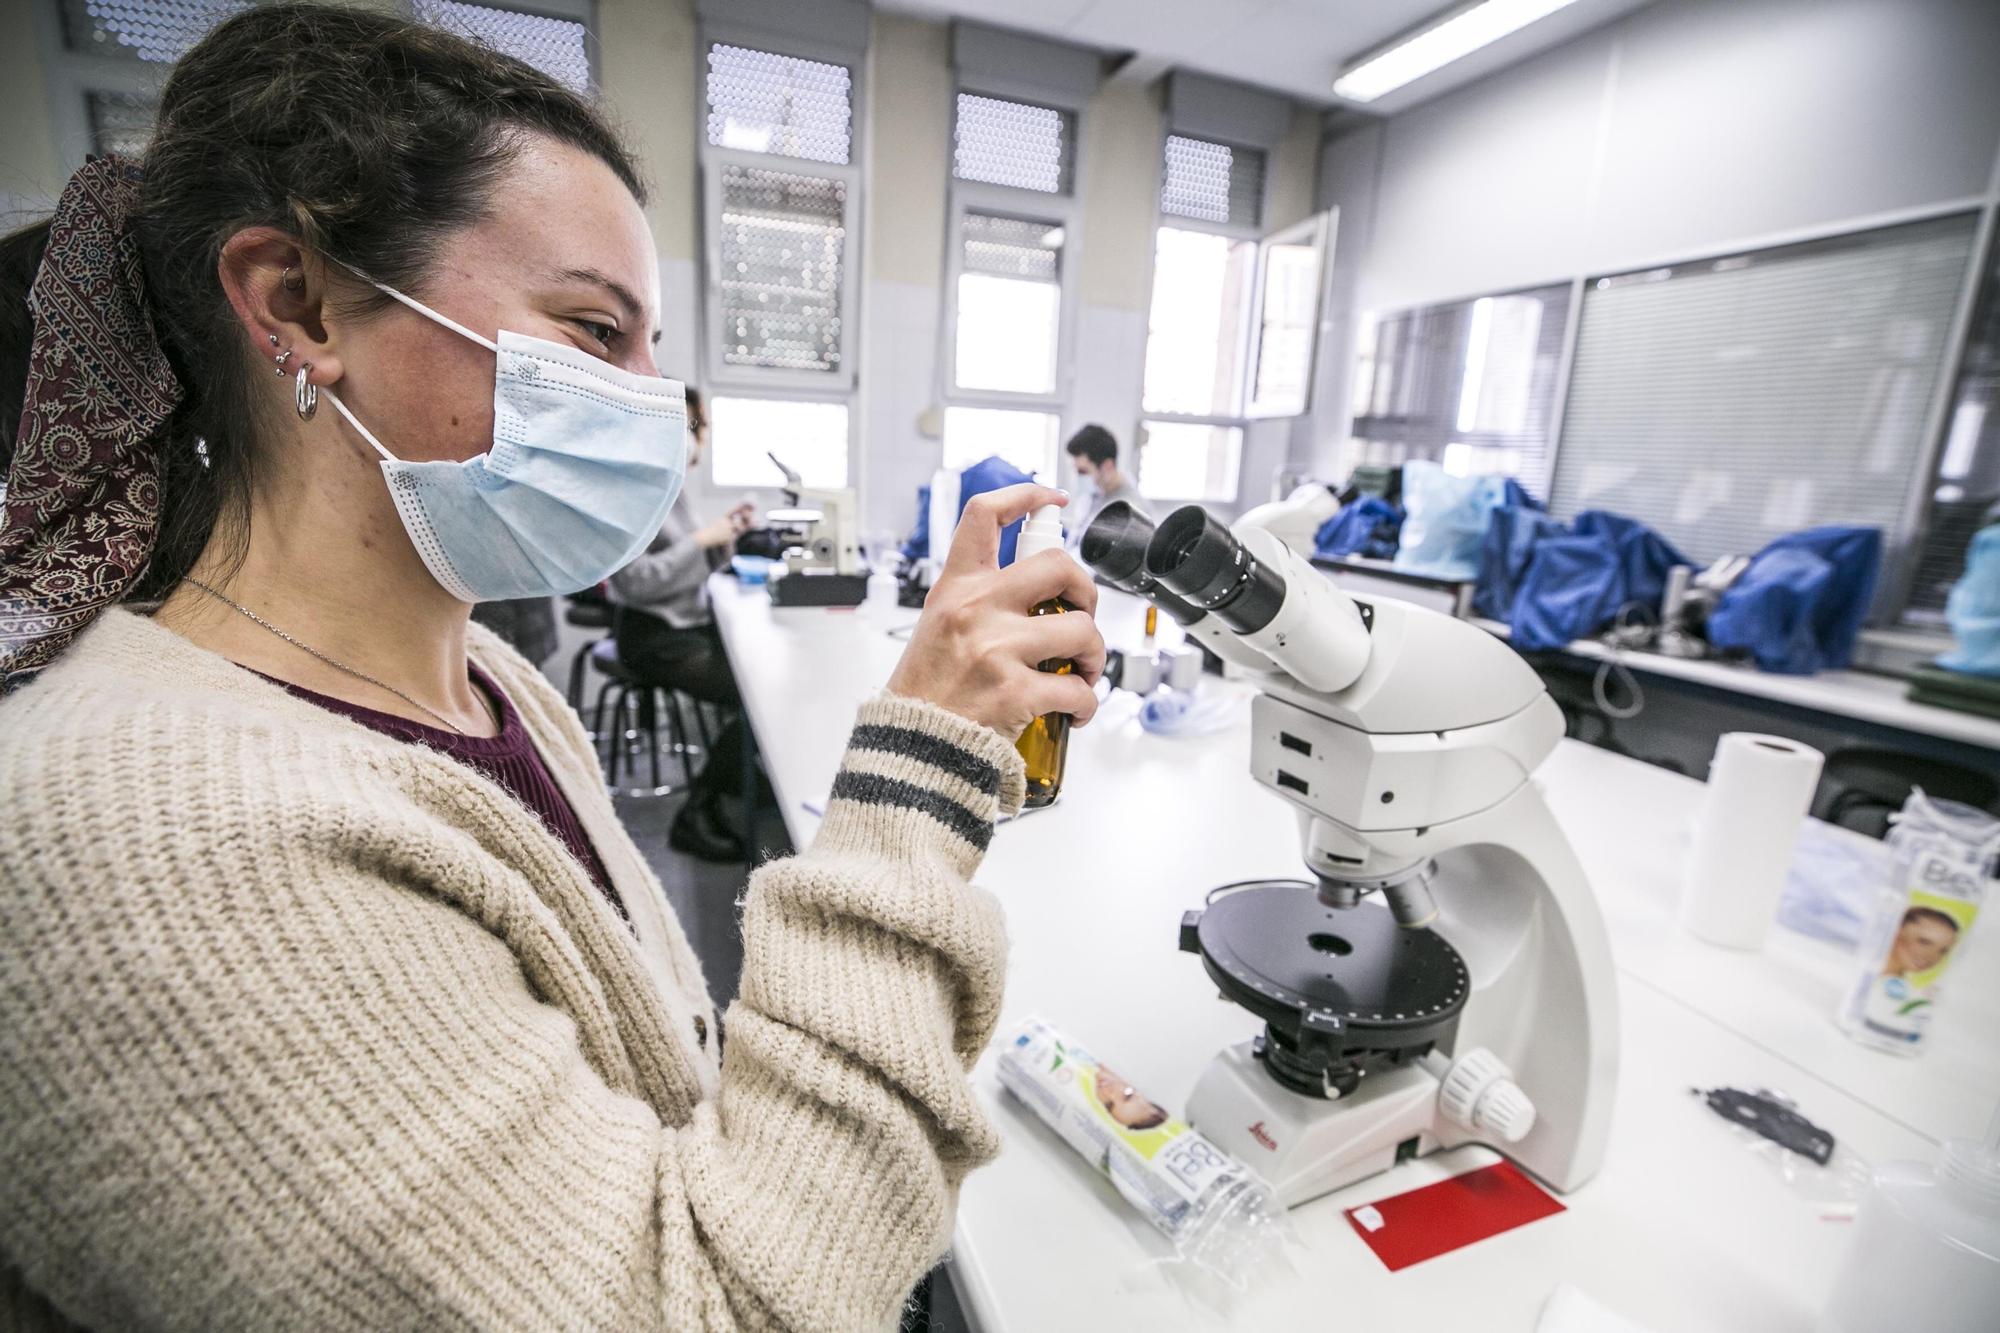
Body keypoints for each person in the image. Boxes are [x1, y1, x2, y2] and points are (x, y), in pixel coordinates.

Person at [0, 7, 1104, 1330]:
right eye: (593, 330)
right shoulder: (140, 839)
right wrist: (916, 786)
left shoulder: (487, 685)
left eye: (652, 348)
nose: (649, 399)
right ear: (297, 306)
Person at [606, 385, 760, 860]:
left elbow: (691, 565)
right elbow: (636, 584)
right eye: (693, 426)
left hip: (681, 625)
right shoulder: (632, 493)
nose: (701, 438)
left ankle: (746, 782)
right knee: (754, 698)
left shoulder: (671, 488)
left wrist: (723, 536)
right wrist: (700, 541)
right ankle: (698, 813)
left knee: (759, 674)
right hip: (652, 635)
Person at [1063, 422, 1145, 552]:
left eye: (1083, 471)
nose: (1078, 477)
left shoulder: (1130, 510)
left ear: (1107, 466)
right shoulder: (1094, 494)